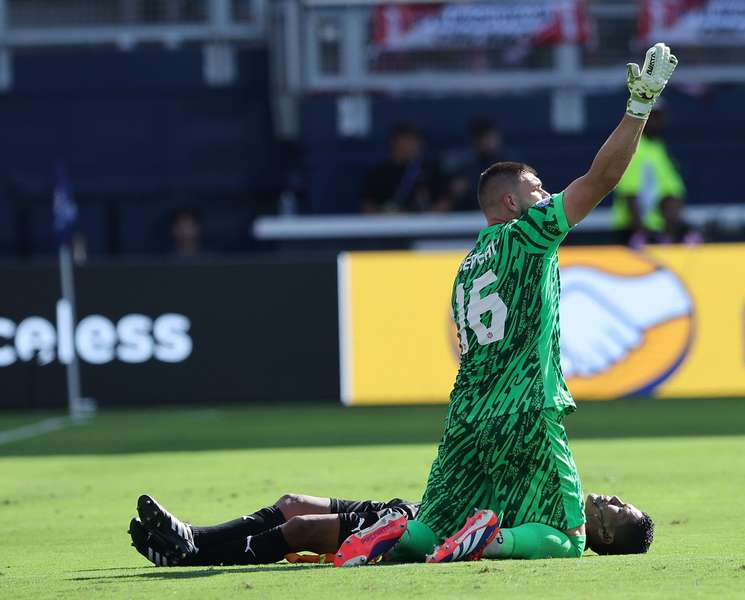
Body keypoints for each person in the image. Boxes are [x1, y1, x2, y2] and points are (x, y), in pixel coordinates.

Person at [334, 43, 677, 567]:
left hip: (467, 413)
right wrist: (640, 107)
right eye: (538, 189)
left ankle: (396, 539)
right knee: (568, 537)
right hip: (525, 405)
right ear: (511, 203)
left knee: (434, 525)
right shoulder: (529, 234)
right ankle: (488, 543)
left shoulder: (470, 263)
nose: (547, 196)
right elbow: (601, 181)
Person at [128, 492, 652, 566]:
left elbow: (486, 540)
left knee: (304, 528)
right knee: (290, 503)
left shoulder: (562, 538)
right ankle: (193, 535)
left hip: (407, 527)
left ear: (606, 538)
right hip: (416, 505)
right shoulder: (556, 489)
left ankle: (194, 556)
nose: (610, 498)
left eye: (619, 510)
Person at [611, 103, 686, 246]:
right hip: (634, 233)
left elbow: (672, 191)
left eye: (660, 116)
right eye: (652, 116)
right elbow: (630, 194)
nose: (658, 121)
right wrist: (641, 234)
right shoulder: (633, 149)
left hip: (655, 231)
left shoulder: (657, 147)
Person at [360, 122, 441, 214]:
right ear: (394, 142)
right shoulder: (377, 173)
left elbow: (444, 204)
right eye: (408, 139)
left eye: (416, 140)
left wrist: (421, 219)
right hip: (388, 226)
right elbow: (367, 207)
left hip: (423, 226)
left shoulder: (430, 170)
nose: (414, 145)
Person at [437, 118, 512, 212]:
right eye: (483, 138)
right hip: (468, 215)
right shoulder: (463, 164)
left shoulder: (511, 164)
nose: (488, 142)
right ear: (475, 140)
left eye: (491, 137)